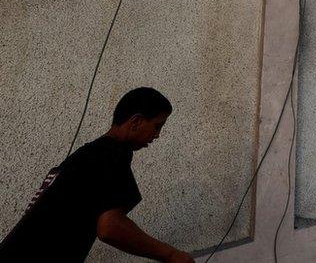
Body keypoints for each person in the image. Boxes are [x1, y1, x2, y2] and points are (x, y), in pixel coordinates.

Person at [0, 88, 193, 262]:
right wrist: (171, 255)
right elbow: (110, 227)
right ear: (136, 121)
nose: (157, 135)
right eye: (157, 126)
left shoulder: (87, 155)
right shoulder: (111, 155)